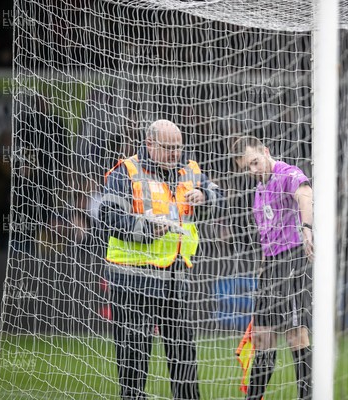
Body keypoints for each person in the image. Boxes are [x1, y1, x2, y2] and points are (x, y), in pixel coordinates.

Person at [100, 119, 223, 399]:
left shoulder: (190, 170)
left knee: (184, 358)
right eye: (167, 147)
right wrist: (146, 229)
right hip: (133, 278)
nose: (174, 153)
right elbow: (107, 217)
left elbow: (221, 196)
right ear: (149, 144)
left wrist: (205, 196)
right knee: (134, 359)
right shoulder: (126, 172)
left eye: (177, 147)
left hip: (175, 276)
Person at [231, 135, 314, 400]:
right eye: (248, 168)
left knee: (296, 336)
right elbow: (266, 236)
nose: (254, 171)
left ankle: (308, 396)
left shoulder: (286, 173)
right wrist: (263, 268)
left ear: (265, 151)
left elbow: (305, 192)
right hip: (270, 268)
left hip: (291, 261)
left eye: (255, 162)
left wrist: (308, 228)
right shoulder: (258, 191)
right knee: (263, 339)